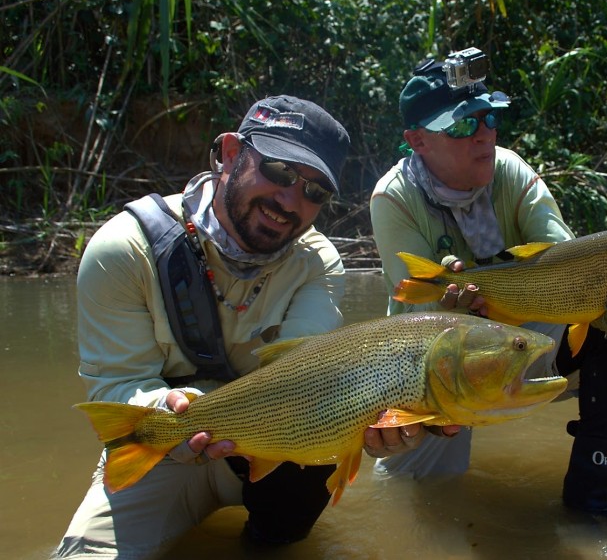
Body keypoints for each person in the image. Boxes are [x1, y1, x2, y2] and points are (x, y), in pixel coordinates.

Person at [52, 95, 390, 558]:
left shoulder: (317, 262)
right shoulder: (125, 249)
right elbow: (116, 387)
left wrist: (384, 419)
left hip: (270, 450)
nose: (290, 200)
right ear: (231, 153)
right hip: (163, 450)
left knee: (315, 458)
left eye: (314, 192)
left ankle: (269, 542)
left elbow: (308, 377)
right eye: (280, 172)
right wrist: (168, 408)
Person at [368, 54, 607, 515]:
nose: (485, 133)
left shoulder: (510, 169)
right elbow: (416, 310)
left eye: (489, 117)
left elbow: (568, 263)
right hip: (434, 360)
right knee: (406, 496)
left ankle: (592, 485)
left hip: (520, 341)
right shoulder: (394, 197)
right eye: (464, 125)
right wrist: (457, 303)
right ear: (418, 141)